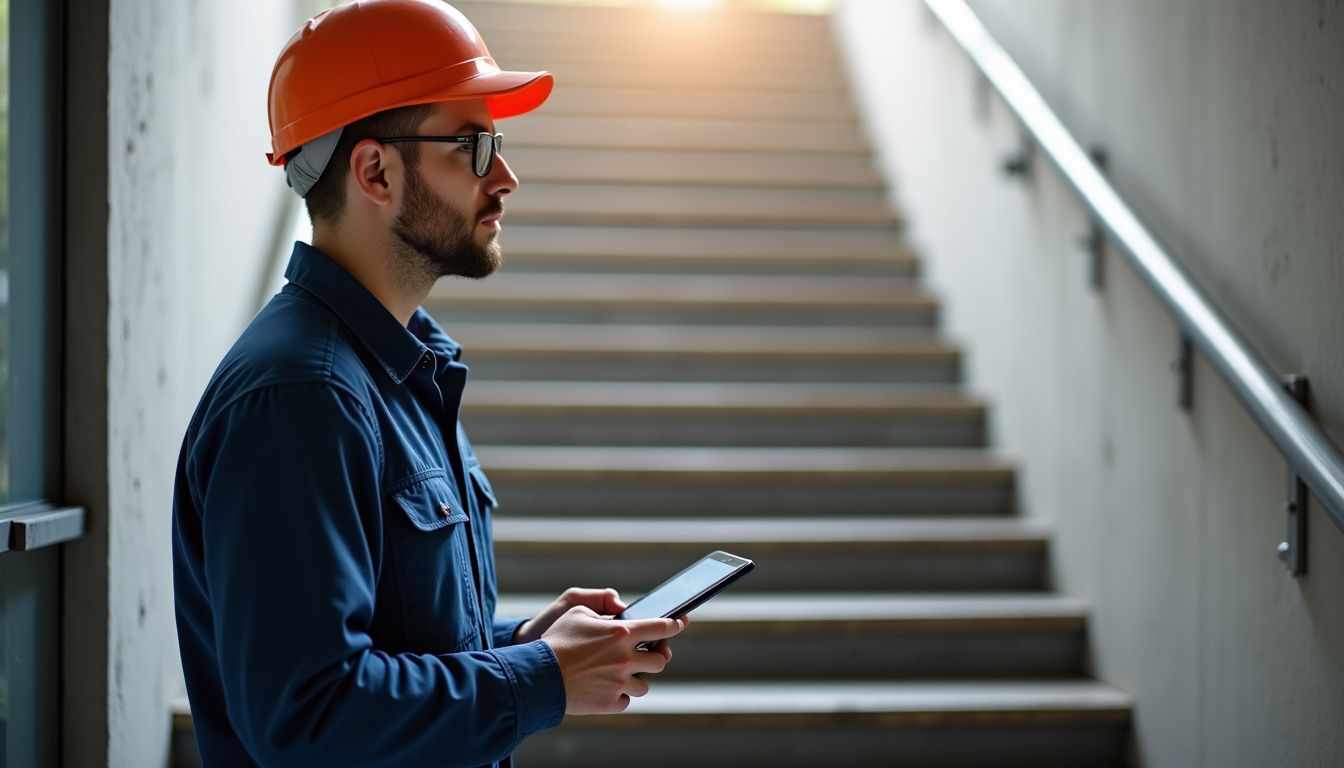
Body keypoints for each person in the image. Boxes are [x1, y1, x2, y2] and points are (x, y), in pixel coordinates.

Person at [171, 2, 685, 766]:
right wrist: (540, 676)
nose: (505, 176)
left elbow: (388, 643)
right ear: (375, 170)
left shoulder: (398, 373)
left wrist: (523, 646)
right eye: (472, 145)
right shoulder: (303, 397)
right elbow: (306, 716)